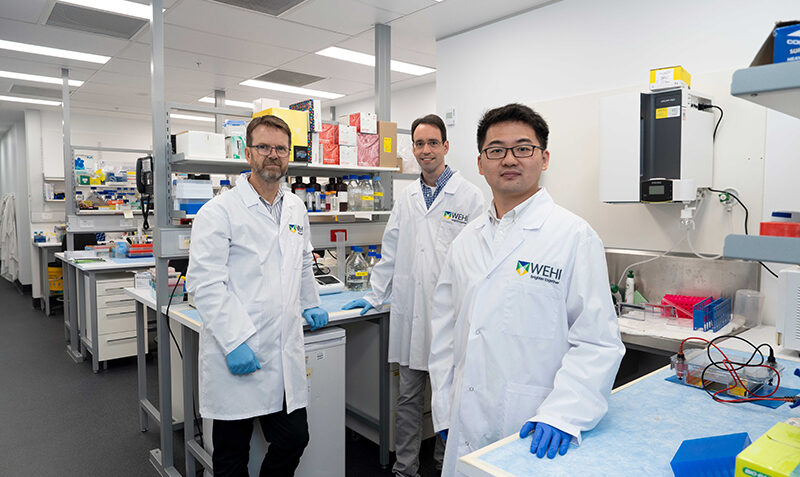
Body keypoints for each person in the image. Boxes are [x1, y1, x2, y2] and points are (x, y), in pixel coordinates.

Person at [428, 103, 625, 476]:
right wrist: (443, 406)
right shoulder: (466, 241)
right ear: (481, 162)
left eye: (523, 148)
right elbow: (443, 332)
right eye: (496, 150)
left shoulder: (573, 236)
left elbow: (598, 342)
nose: (509, 159)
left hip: (537, 421)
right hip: (464, 418)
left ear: (544, 158)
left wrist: (564, 413)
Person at [342, 113, 485, 477]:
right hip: (410, 315)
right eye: (419, 144)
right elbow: (390, 251)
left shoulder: (470, 197)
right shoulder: (406, 197)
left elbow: (481, 260)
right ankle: (405, 468)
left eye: (432, 143)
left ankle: (444, 463)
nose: (425, 150)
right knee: (407, 399)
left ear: (446, 146)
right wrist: (375, 295)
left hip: (451, 319)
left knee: (449, 398)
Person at [186, 114, 329, 477]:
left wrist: (311, 302)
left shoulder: (296, 207)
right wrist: (234, 341)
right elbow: (205, 283)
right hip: (238, 346)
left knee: (294, 438)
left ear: (288, 156)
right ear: (248, 153)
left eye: (280, 148)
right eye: (264, 147)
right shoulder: (218, 212)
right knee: (232, 454)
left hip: (282, 351)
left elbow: (300, 263)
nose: (273, 155)